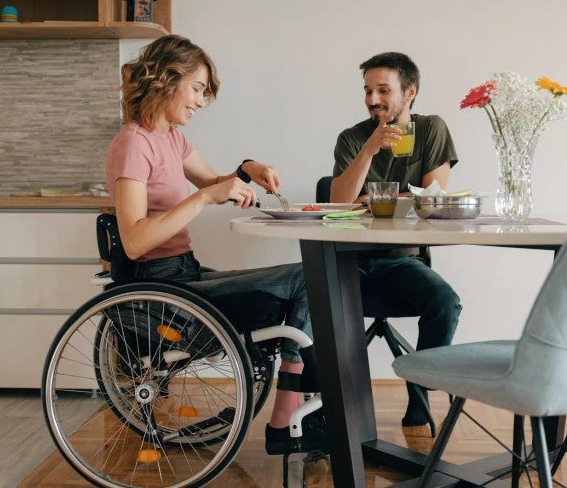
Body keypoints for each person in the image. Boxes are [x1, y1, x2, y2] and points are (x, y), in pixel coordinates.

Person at [106, 34, 322, 454]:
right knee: (303, 277)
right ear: (167, 80)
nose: (201, 102)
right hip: (159, 289)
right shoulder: (133, 143)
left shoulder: (170, 137)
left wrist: (246, 168)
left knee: (306, 277)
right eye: (198, 89)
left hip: (185, 272)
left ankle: (296, 409)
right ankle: (291, 417)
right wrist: (204, 197)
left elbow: (213, 183)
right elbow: (133, 241)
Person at [330, 51, 463, 427]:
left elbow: (432, 201)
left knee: (446, 303)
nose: (373, 99)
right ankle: (343, 415)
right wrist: (371, 148)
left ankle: (420, 394)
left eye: (383, 90)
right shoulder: (353, 138)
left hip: (402, 259)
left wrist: (370, 201)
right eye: (368, 90)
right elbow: (339, 202)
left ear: (410, 92)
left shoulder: (432, 129)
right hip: (349, 258)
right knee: (319, 308)